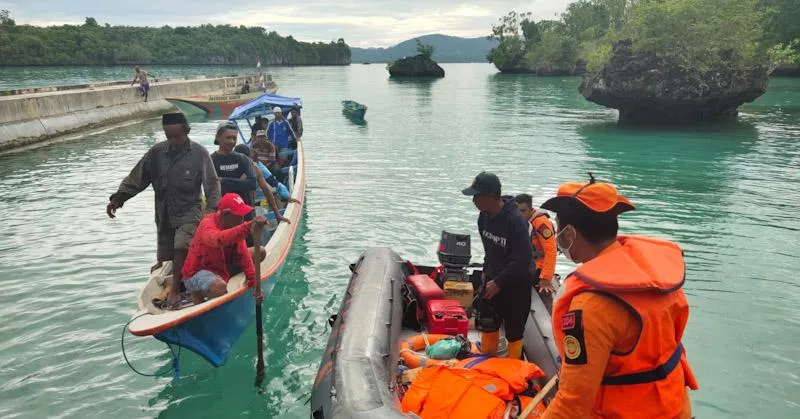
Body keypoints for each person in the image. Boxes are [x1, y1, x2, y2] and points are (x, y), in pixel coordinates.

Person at [538, 174, 698, 419]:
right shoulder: (660, 277)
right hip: (674, 405)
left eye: (558, 227)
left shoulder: (589, 306)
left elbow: (573, 406)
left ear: (569, 234)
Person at [107, 112, 221, 307]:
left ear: (186, 132)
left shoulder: (199, 153)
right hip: (164, 211)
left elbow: (212, 184)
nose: (174, 141)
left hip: (190, 210)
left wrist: (210, 212)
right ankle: (181, 282)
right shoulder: (156, 153)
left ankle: (175, 290)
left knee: (181, 246)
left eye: (178, 136)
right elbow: (137, 178)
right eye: (170, 137)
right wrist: (118, 199)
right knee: (169, 253)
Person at [462, 172, 534, 360]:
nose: (474, 201)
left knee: (514, 331)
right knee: (488, 323)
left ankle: (514, 365)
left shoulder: (515, 221)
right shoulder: (483, 218)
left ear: (491, 196)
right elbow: (490, 249)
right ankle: (487, 361)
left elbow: (523, 259)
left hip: (516, 282)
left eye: (477, 196)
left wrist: (499, 282)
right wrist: (486, 272)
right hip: (494, 277)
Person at [180, 193, 268, 305]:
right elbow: (219, 239)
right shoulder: (207, 224)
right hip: (197, 271)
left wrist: (254, 283)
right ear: (226, 214)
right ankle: (196, 293)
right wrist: (247, 227)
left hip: (222, 265)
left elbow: (244, 255)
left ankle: (220, 283)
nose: (241, 219)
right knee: (219, 287)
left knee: (260, 252)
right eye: (238, 216)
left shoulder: (234, 228)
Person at [515, 194, 557, 311]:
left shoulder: (541, 223)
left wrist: (545, 279)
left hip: (538, 265)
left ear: (530, 209)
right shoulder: (519, 222)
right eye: (517, 211)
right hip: (526, 262)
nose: (520, 214)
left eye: (523, 211)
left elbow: (551, 250)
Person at [211, 121, 257, 212]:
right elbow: (212, 187)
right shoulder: (211, 160)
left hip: (244, 209)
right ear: (218, 137)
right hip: (223, 211)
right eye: (228, 138)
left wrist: (223, 180)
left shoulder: (243, 159)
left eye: (234, 138)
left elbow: (252, 184)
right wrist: (240, 182)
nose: (232, 141)